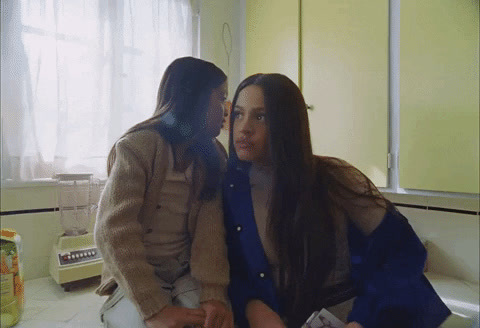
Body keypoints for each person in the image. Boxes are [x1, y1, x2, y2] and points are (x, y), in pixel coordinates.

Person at [223, 73, 451, 328]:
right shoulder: (230, 186)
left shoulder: (332, 177)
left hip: (344, 316)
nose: (244, 128)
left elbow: (405, 251)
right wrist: (253, 306)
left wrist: (362, 321)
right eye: (238, 114)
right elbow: (230, 269)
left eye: (260, 116)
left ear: (286, 124)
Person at [94, 57, 233, 328]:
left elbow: (211, 232)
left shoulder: (213, 156)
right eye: (221, 98)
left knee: (215, 322)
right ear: (194, 98)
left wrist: (213, 294)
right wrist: (155, 309)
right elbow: (114, 230)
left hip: (184, 271)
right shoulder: (139, 146)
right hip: (135, 275)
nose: (226, 110)